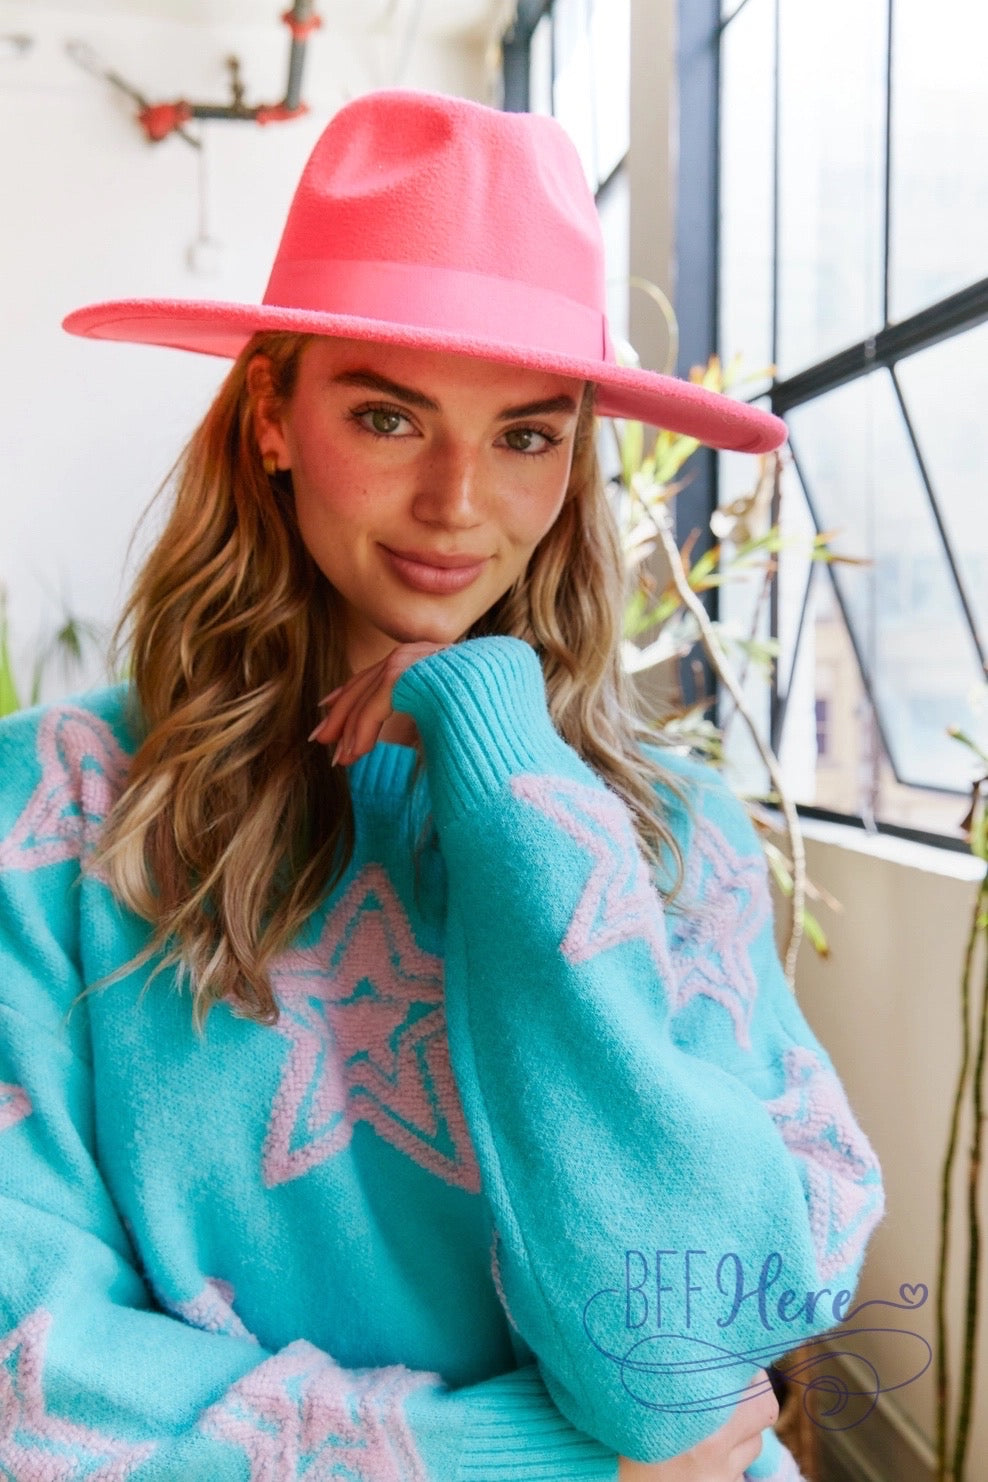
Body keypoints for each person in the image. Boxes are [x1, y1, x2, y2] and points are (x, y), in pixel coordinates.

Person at [0, 89, 883, 1480]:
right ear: (273, 414)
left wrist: (509, 772)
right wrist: (520, 1459)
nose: (457, 503)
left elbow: (685, 1363)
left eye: (527, 435)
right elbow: (33, 1375)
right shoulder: (53, 815)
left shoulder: (678, 836)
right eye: (388, 416)